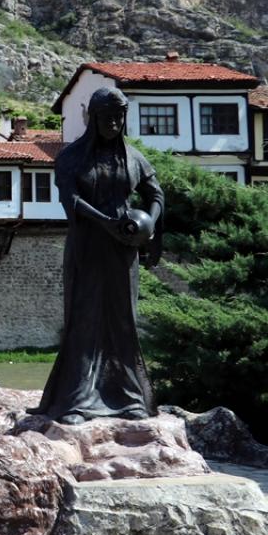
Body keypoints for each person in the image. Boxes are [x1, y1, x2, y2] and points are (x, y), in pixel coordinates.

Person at [30, 87, 164, 425]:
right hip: (87, 247)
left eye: (119, 117)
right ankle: (76, 401)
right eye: (108, 118)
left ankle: (129, 398)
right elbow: (71, 200)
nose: (114, 124)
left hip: (122, 250)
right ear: (93, 119)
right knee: (84, 320)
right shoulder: (71, 157)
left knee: (123, 321)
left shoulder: (133, 158)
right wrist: (105, 222)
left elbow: (156, 194)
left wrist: (147, 225)